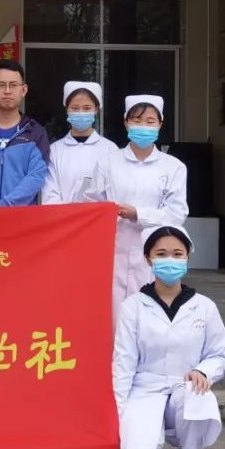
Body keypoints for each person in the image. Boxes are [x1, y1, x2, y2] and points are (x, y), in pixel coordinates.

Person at [113, 225, 225, 449]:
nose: (170, 260)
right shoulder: (133, 306)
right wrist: (120, 412)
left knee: (198, 396)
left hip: (183, 386)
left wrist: (203, 371)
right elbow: (123, 362)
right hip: (145, 389)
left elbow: (220, 355)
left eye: (177, 254)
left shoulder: (204, 306)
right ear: (148, 259)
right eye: (161, 254)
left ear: (187, 257)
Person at [85, 94, 188, 324]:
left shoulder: (173, 167)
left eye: (150, 121)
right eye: (137, 120)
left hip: (153, 253)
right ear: (126, 123)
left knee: (151, 318)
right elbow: (92, 204)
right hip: (114, 251)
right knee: (113, 318)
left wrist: (138, 214)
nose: (143, 127)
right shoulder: (108, 162)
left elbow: (177, 213)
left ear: (160, 124)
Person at [0, 59, 50, 207]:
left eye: (13, 85)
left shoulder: (35, 133)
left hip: (22, 216)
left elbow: (36, 176)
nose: (7, 91)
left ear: (24, 90)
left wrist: (4, 206)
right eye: (1, 85)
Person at [41, 81, 119, 204]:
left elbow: (115, 192)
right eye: (75, 108)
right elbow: (50, 194)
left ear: (96, 109)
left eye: (87, 108)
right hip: (63, 215)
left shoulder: (110, 149)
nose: (81, 113)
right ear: (67, 109)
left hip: (99, 215)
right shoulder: (54, 151)